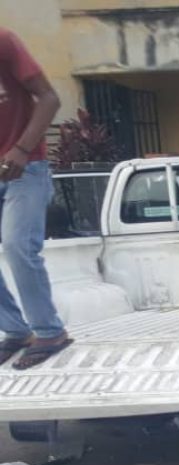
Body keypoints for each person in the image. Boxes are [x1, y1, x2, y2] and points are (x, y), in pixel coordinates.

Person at [0, 28, 71, 369]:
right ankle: (16, 332)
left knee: (17, 245)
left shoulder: (3, 41)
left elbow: (49, 98)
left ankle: (49, 332)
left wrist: (22, 148)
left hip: (25, 166)